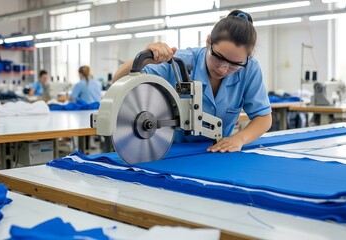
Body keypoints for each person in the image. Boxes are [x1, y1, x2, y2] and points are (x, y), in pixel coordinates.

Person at [113, 10, 272, 153]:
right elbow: (118, 82)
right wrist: (146, 57)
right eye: (219, 58)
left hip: (219, 152)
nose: (223, 69)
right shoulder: (178, 62)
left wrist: (239, 139)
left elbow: (264, 117)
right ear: (208, 42)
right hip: (172, 151)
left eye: (234, 65)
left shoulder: (249, 69)